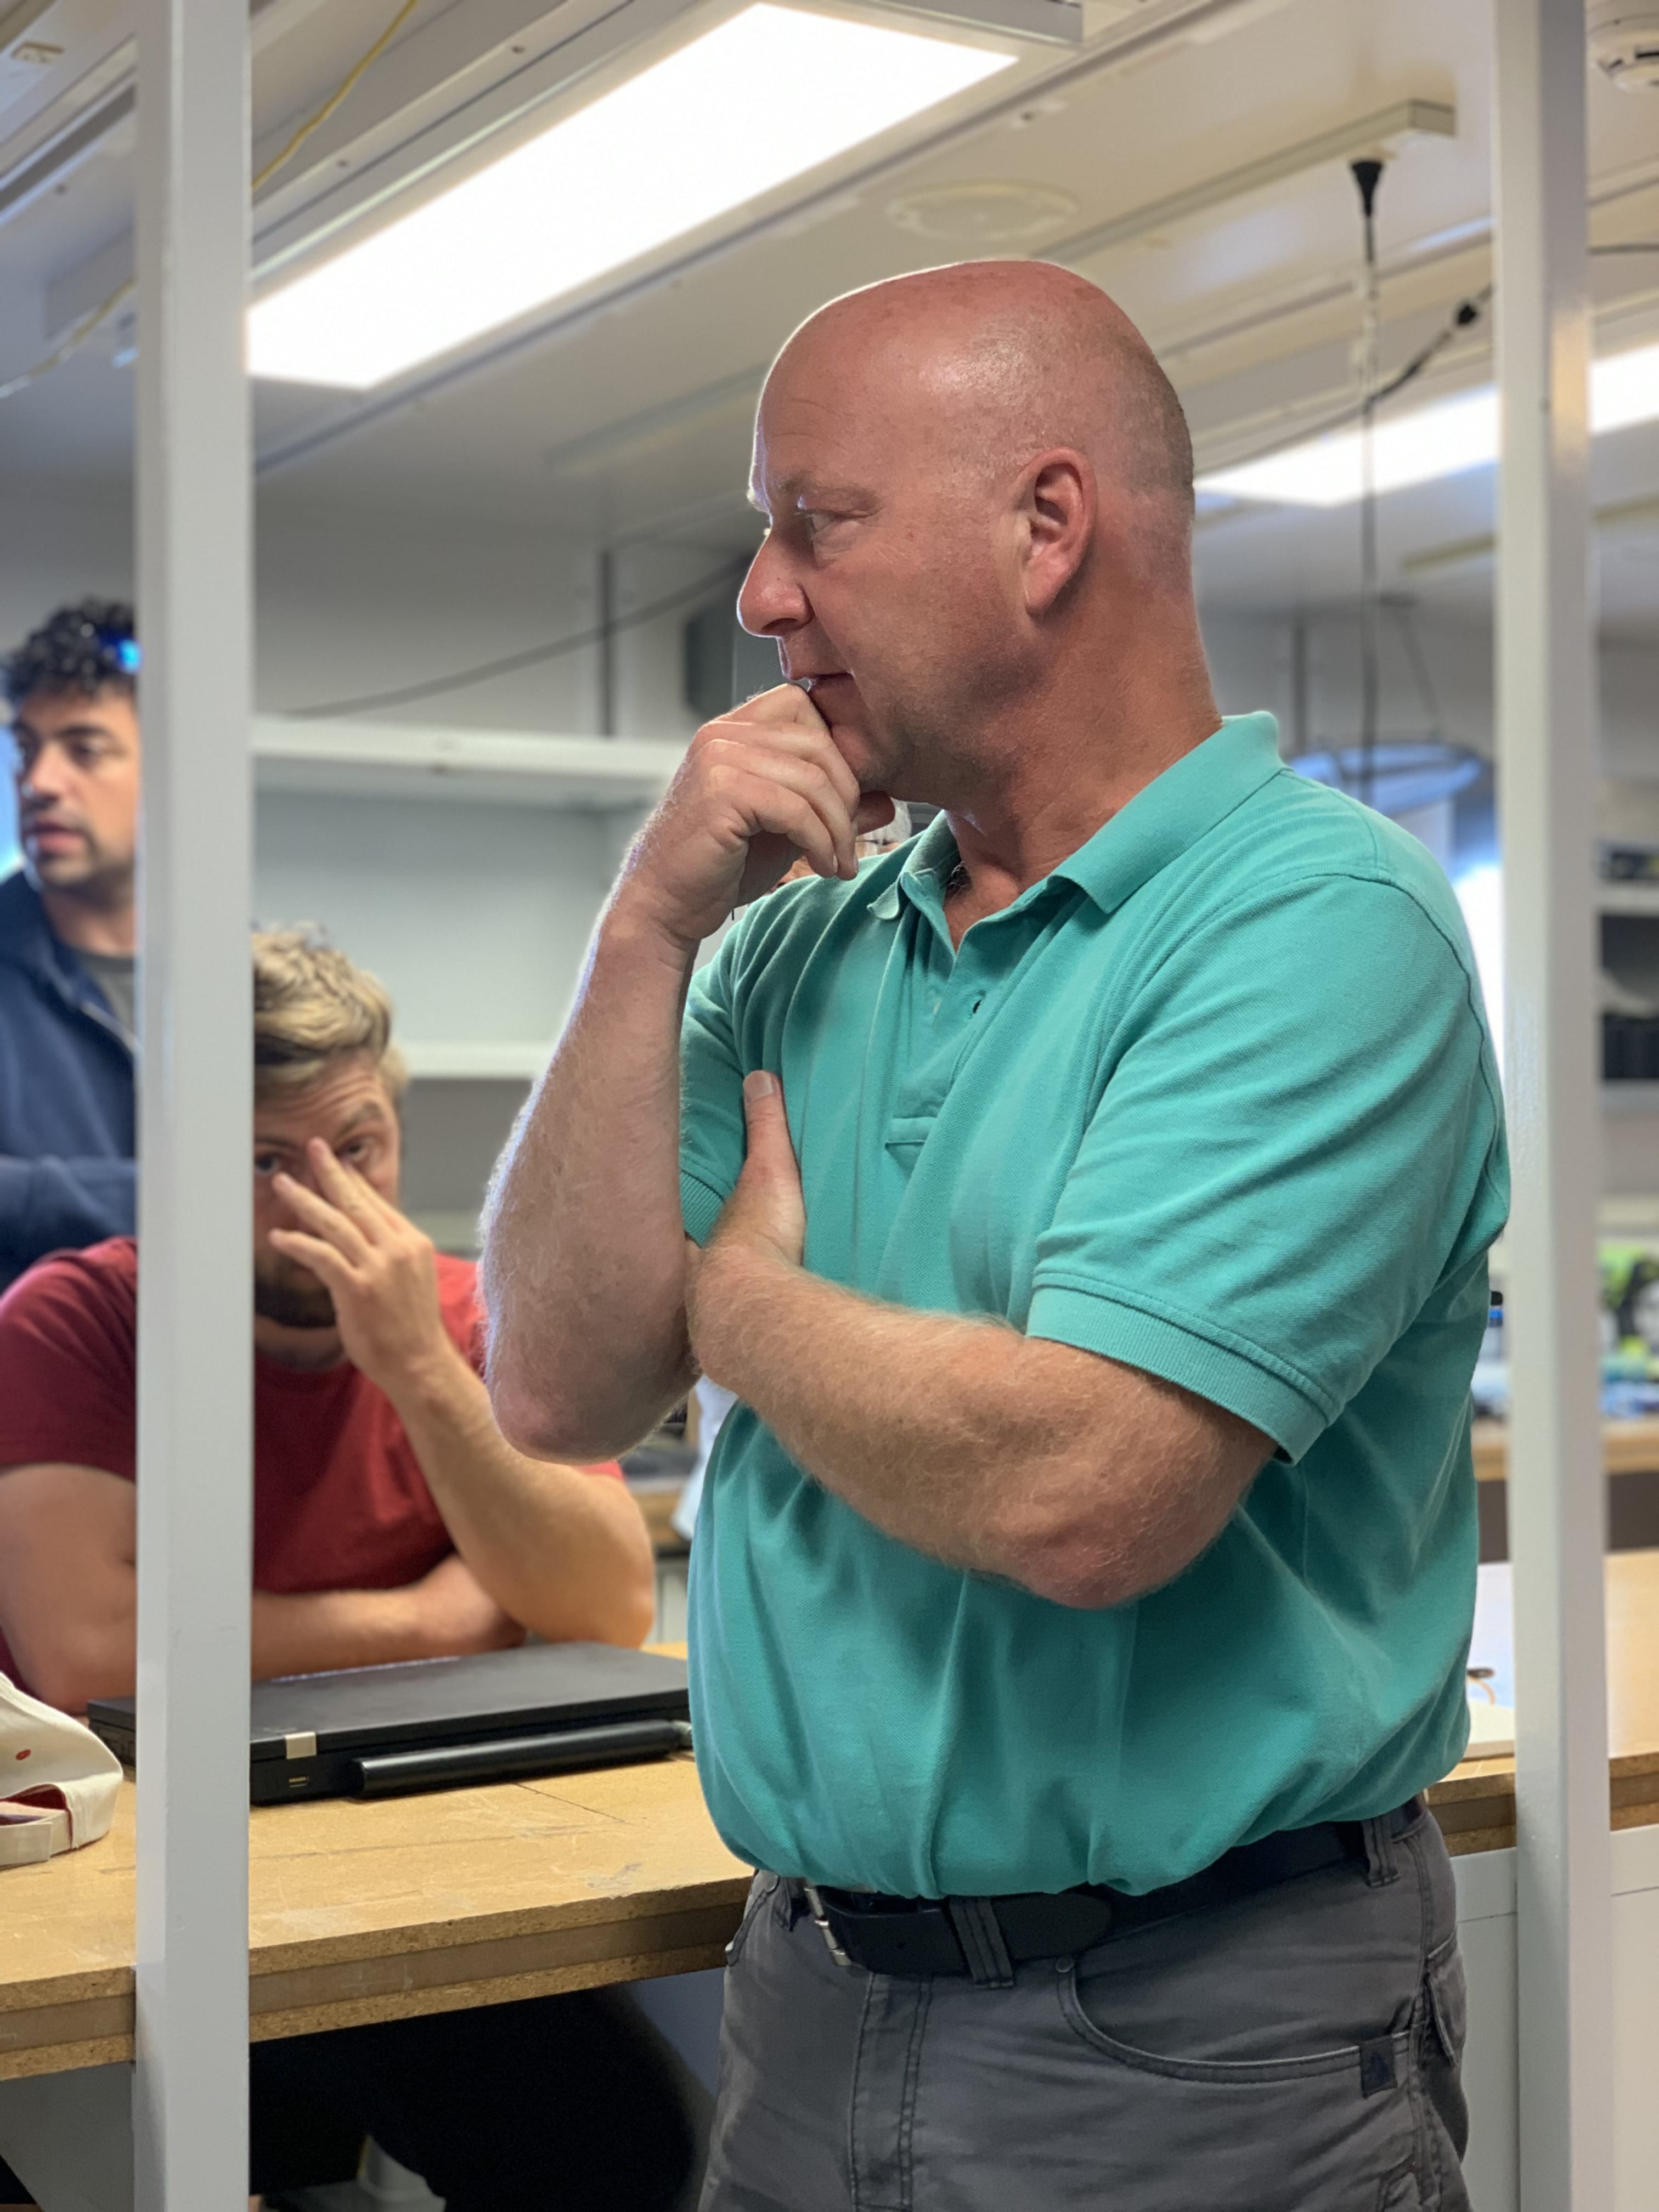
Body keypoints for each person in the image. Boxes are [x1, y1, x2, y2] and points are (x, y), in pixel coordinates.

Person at [481, 260, 1507, 2212]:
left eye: (812, 522)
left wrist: (744, 1296)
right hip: (801, 1990)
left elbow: (1083, 1488)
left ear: (1044, 525)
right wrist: (640, 936)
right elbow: (550, 1372)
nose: (758, 598)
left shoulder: (1308, 925)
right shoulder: (784, 935)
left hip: (1190, 2035)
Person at [0, 929, 689, 2212]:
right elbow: (92, 1659)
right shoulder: (80, 1321)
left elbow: (605, 1608)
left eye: (357, 1148)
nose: (322, 1200)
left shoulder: (472, 1316)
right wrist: (440, 1619)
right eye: (265, 1163)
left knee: (616, 2151)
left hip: (403, 1901)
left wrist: (422, 1370)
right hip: (147, 1908)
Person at [0, 600, 141, 1292]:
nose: (39, 782)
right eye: (26, 748)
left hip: (230, 1387)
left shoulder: (263, 980)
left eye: (84, 750)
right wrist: (189, 1197)